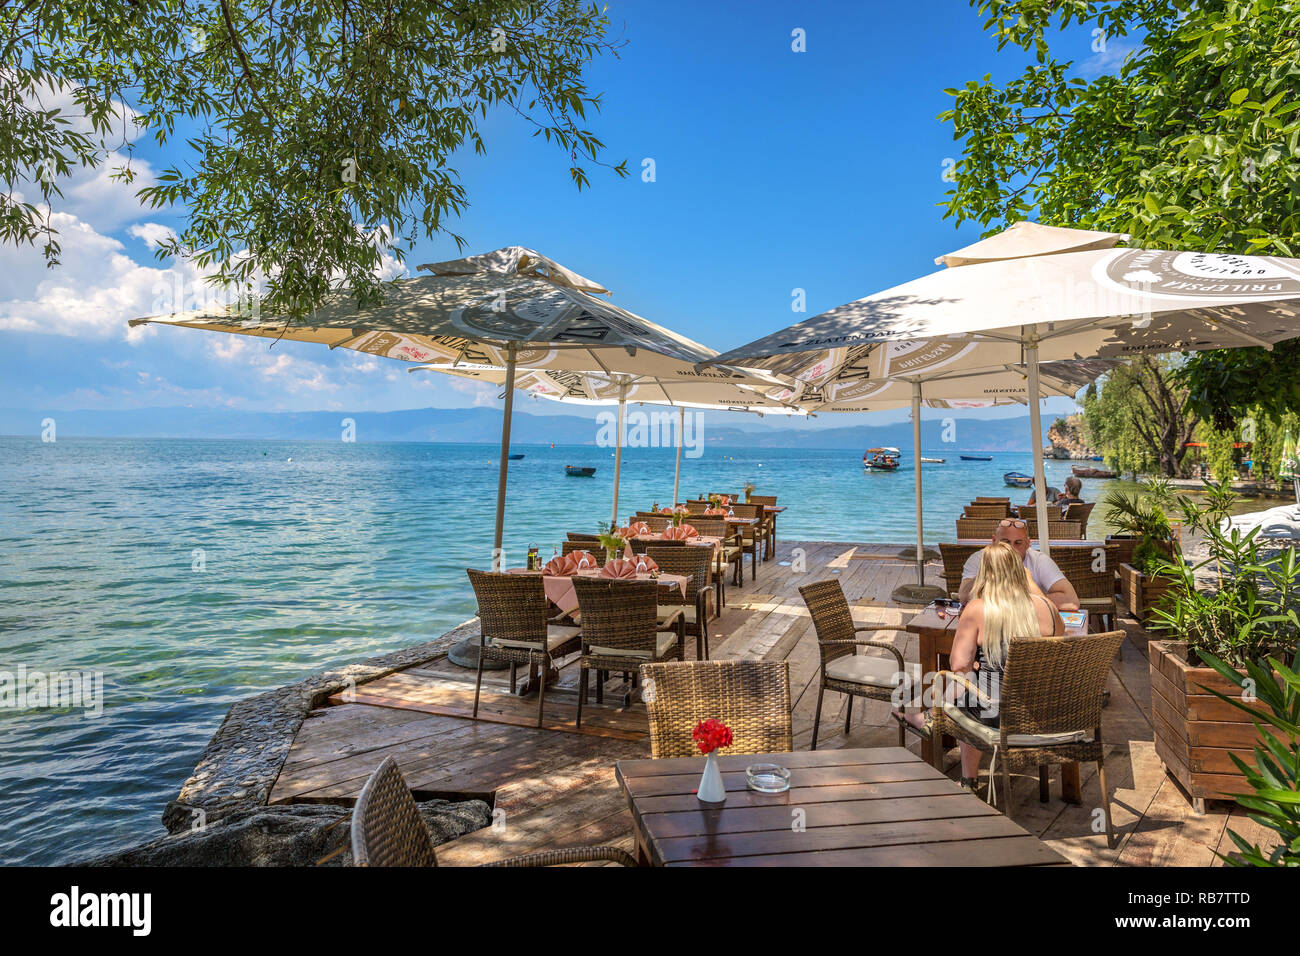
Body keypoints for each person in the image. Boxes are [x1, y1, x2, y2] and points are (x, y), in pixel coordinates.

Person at [895, 541, 1064, 790]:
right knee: (975, 683)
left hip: (996, 713)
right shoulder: (1049, 609)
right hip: (1046, 709)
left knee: (966, 682)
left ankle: (967, 777)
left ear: (985, 573)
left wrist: (976, 666)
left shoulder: (978, 608)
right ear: (1021, 571)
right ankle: (931, 718)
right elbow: (1059, 647)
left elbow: (958, 665)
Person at [957, 518, 1080, 610]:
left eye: (1018, 543)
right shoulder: (979, 559)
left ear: (1027, 544)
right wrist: (990, 570)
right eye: (1005, 542)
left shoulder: (1039, 561)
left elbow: (1072, 600)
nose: (1011, 548)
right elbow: (963, 597)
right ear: (994, 541)